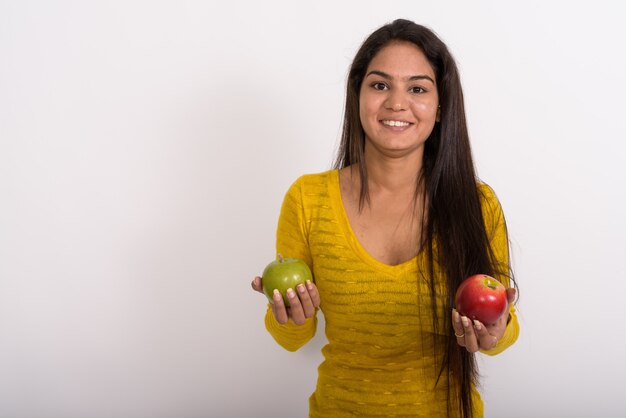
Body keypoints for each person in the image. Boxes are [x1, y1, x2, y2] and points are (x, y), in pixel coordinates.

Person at [251, 18, 519, 418]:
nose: (396, 103)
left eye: (417, 88)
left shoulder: (477, 203)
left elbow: (504, 330)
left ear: (441, 105)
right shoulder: (307, 199)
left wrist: (495, 332)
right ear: (357, 95)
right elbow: (293, 340)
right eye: (379, 85)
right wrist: (290, 316)